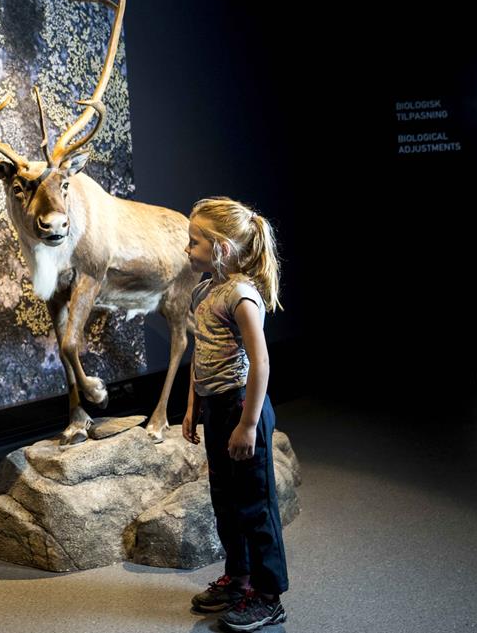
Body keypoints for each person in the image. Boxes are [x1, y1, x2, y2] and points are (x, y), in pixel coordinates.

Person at [181, 197, 288, 632]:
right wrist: (193, 405)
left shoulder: (242, 296)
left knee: (255, 505)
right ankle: (239, 579)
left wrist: (248, 424)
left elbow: (260, 362)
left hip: (244, 406)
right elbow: (200, 352)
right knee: (225, 500)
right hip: (216, 407)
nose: (187, 249)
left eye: (194, 242)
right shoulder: (204, 291)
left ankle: (268, 596)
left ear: (221, 248)